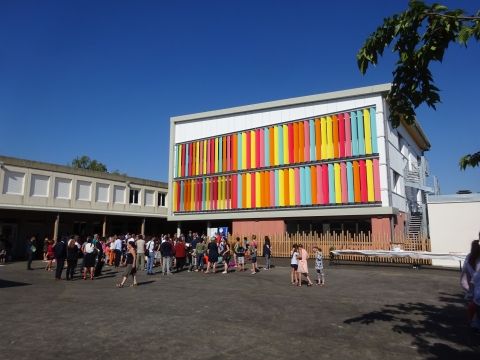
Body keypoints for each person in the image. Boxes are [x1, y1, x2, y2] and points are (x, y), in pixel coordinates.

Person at [460, 239, 480, 331]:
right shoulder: (470, 258)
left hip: (474, 292)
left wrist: (469, 291)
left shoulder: (469, 258)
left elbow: (464, 278)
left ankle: (473, 322)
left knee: (473, 308)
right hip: (476, 292)